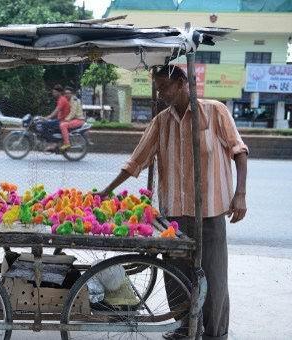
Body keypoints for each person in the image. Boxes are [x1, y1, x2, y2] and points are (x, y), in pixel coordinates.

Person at [98, 65, 248, 340]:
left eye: (164, 87)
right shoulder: (161, 121)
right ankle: (184, 326)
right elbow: (136, 161)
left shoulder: (214, 111)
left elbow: (238, 151)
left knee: (213, 277)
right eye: (157, 89)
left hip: (210, 213)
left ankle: (215, 334)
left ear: (181, 83)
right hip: (174, 215)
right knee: (177, 275)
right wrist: (106, 191)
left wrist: (240, 194)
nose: (160, 94)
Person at [43, 84, 70, 151]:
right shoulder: (60, 99)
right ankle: (55, 142)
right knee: (49, 124)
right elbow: (57, 112)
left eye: (55, 92)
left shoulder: (62, 100)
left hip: (62, 121)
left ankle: (52, 143)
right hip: (60, 119)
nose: (53, 94)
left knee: (44, 124)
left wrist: (47, 117)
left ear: (59, 92)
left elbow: (56, 111)